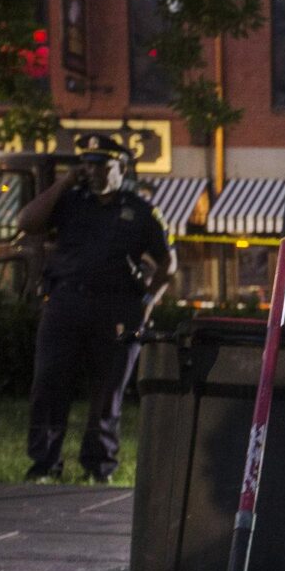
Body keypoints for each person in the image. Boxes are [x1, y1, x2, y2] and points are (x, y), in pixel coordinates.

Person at [17, 134, 175, 482]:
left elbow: (168, 263)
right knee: (48, 385)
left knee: (107, 392)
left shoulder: (140, 211)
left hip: (116, 307)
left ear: (121, 168)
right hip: (65, 302)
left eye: (101, 165)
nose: (93, 171)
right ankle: (44, 464)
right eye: (87, 164)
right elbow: (26, 222)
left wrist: (147, 302)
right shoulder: (70, 201)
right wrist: (63, 183)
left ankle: (98, 467)